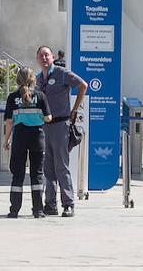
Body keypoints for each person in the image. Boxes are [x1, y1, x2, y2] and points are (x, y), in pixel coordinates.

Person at [35, 44, 87, 217]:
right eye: (41, 56)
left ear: (52, 58)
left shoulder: (61, 73)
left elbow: (82, 85)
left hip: (60, 125)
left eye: (47, 55)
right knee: (47, 168)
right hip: (44, 126)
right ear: (37, 59)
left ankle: (68, 203)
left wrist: (75, 109)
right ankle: (50, 204)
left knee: (61, 166)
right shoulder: (37, 79)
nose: (44, 58)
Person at [3, 66, 52, 218]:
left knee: (17, 174)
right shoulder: (40, 95)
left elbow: (10, 121)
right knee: (36, 175)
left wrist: (7, 139)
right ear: (33, 79)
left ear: (18, 79)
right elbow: (48, 118)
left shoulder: (12, 97)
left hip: (20, 138)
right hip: (37, 138)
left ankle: (14, 210)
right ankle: (38, 210)